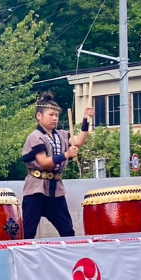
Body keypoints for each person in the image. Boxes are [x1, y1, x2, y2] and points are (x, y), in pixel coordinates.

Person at [21, 92, 94, 239]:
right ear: (39, 116)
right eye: (51, 114)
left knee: (68, 232)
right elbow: (44, 162)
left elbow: (79, 141)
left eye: (56, 115)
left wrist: (86, 119)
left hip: (56, 190)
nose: (55, 118)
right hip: (36, 189)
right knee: (28, 233)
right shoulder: (35, 137)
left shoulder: (61, 134)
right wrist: (66, 155)